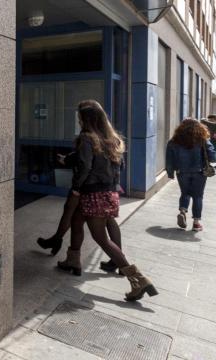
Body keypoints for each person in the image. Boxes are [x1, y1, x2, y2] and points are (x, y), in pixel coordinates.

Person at [59, 100, 158, 301]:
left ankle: (138, 279)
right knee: (77, 221)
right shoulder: (112, 139)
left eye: (79, 116)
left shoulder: (87, 138)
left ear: (86, 119)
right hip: (108, 192)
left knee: (101, 238)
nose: (78, 119)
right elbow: (118, 168)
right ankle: (72, 260)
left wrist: (77, 188)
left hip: (91, 192)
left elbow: (85, 167)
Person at [37, 151, 124, 275]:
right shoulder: (113, 139)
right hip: (108, 186)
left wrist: (76, 184)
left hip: (89, 187)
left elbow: (85, 162)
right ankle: (71, 256)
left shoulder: (90, 137)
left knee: (73, 214)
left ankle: (132, 272)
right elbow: (121, 165)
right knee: (81, 219)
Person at [166, 118, 216, 231]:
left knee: (185, 193)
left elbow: (169, 159)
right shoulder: (202, 139)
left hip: (181, 172)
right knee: (198, 196)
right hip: (199, 172)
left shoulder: (174, 140)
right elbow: (213, 157)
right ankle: (196, 223)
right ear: (198, 127)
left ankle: (183, 211)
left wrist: (170, 172)